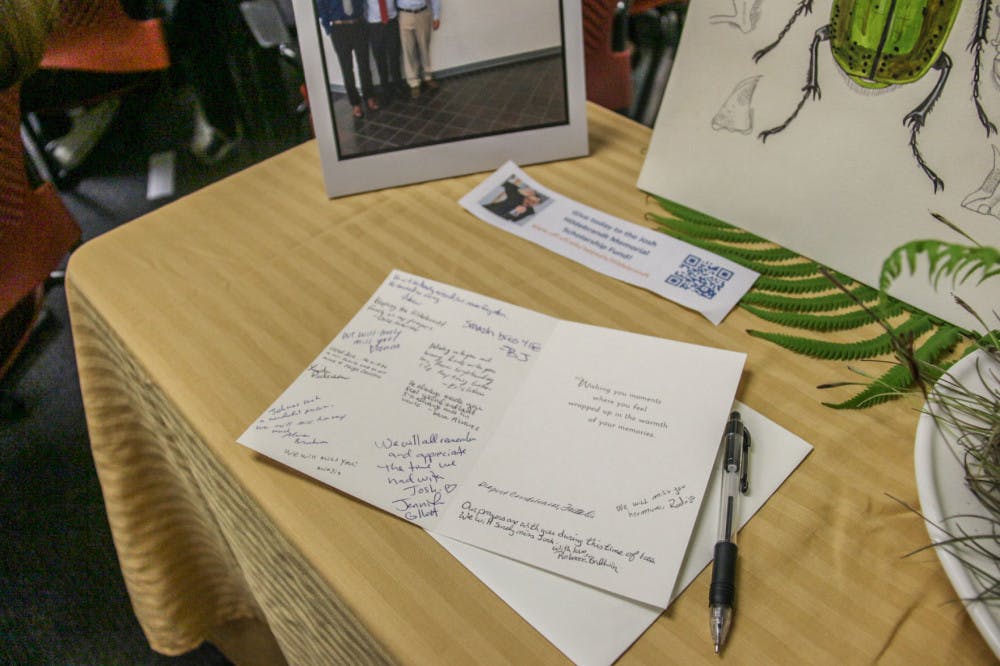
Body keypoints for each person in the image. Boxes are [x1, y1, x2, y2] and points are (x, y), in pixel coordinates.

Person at [316, 0, 378, 118]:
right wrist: (328, 29)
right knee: (347, 69)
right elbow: (321, 7)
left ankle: (369, 97)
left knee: (364, 65)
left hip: (358, 25)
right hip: (339, 29)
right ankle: (355, 104)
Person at [363, 0, 406, 105]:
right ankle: (385, 89)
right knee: (380, 59)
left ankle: (398, 86)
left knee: (394, 56)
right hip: (374, 26)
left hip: (391, 22)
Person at [396, 0, 441, 99]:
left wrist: (436, 16)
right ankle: (413, 82)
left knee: (424, 47)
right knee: (408, 50)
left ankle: (427, 76)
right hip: (404, 14)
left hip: (422, 13)